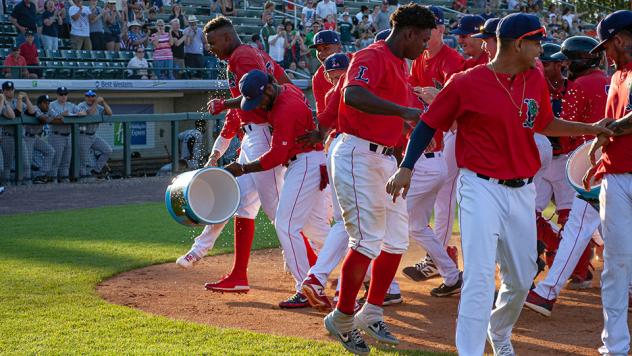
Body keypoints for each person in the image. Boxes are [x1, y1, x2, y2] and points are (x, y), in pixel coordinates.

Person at [386, 13, 612, 355]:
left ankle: (499, 329)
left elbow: (545, 123)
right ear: (519, 44)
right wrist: (406, 166)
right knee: (478, 277)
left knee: (521, 278)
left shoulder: (533, 77)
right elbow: (427, 124)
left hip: (523, 191)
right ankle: (471, 351)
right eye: (536, 42)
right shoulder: (465, 82)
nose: (541, 50)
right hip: (480, 188)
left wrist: (593, 128)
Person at [323, 5, 435, 354]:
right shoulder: (371, 55)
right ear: (409, 33)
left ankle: (370, 311)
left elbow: (389, 115)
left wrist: (406, 135)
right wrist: (404, 111)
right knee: (367, 241)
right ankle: (341, 318)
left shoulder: (400, 65)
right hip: (357, 154)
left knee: (397, 240)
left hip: (383, 158)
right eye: (424, 40)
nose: (425, 48)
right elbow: (352, 94)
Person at [176, 16, 290, 298]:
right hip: (255, 136)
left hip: (262, 136)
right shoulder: (252, 54)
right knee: (239, 205)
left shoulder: (242, 56)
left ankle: (316, 270)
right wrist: (216, 153)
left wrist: (223, 103)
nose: (210, 48)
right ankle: (237, 274)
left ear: (227, 37)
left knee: (281, 214)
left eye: (213, 42)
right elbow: (283, 83)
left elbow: (261, 94)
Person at [223, 69, 330, 308]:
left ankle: (306, 287)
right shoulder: (286, 90)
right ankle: (367, 271)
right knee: (315, 229)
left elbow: (276, 155)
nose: (257, 106)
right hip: (308, 162)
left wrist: (243, 168)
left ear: (269, 89)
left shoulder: (284, 108)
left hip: (304, 164)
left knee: (286, 224)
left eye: (258, 99)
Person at [581, 10, 632, 356]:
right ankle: (614, 346)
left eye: (607, 47)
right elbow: (615, 125)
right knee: (616, 262)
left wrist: (606, 131)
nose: (606, 55)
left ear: (619, 39)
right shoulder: (616, 77)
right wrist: (599, 150)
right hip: (615, 175)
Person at [400, 5, 464, 284]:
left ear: (441, 30)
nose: (428, 35)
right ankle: (441, 258)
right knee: (431, 202)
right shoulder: (420, 58)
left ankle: (439, 258)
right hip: (434, 131)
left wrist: (436, 97)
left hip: (455, 131)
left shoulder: (452, 61)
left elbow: (459, 107)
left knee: (445, 194)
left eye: (433, 29)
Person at [49, 87, 87, 183]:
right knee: (56, 160)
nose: (63, 96)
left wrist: (79, 113)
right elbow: (55, 117)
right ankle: (53, 181)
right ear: (57, 95)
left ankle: (64, 180)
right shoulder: (51, 104)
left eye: (65, 94)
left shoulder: (71, 105)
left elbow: (84, 112)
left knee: (66, 161)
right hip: (57, 135)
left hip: (68, 135)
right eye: (61, 94)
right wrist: (63, 114)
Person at [76, 90, 112, 179]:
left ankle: (96, 170)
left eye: (92, 96)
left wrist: (103, 102)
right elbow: (90, 113)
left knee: (108, 150)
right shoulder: (81, 105)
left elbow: (110, 113)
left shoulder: (99, 107)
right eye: (88, 96)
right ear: (85, 97)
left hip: (93, 135)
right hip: (83, 135)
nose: (90, 98)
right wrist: (96, 102)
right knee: (83, 161)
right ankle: (82, 180)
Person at [27, 95, 57, 184]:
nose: (47, 105)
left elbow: (60, 118)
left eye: (48, 103)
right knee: (26, 161)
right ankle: (24, 181)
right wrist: (52, 119)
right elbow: (43, 119)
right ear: (40, 104)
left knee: (50, 151)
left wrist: (51, 118)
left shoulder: (49, 109)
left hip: (35, 137)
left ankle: (41, 175)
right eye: (45, 103)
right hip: (25, 137)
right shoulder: (35, 108)